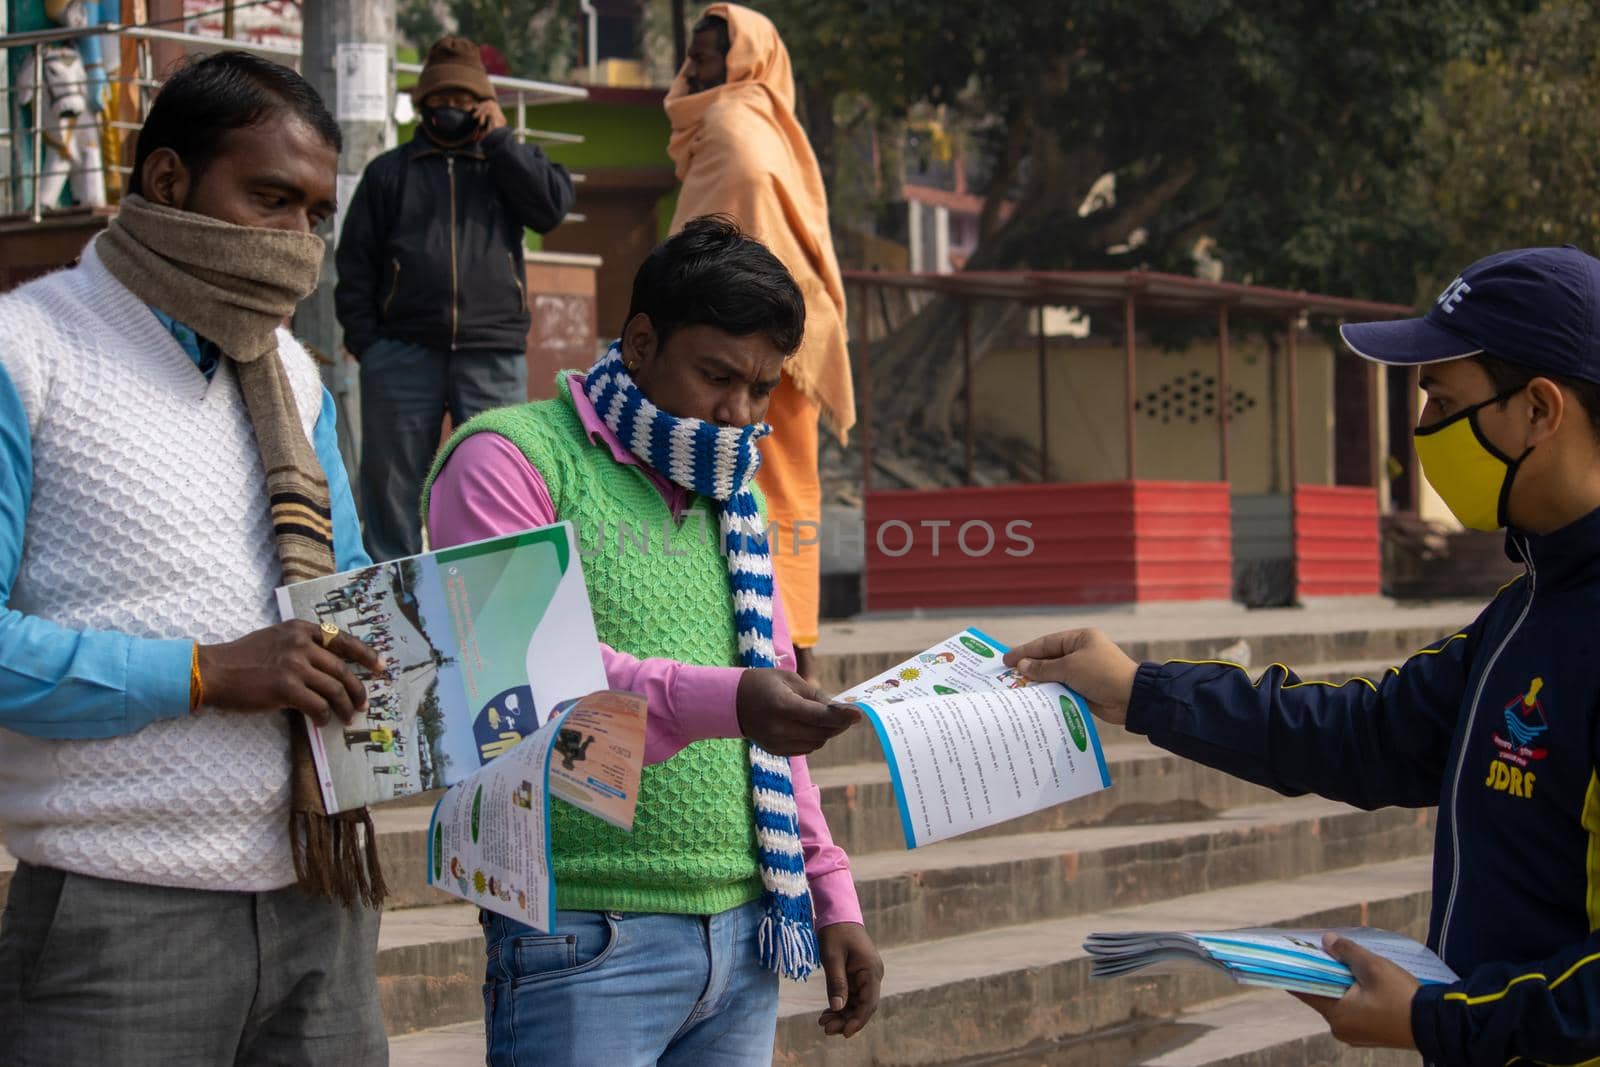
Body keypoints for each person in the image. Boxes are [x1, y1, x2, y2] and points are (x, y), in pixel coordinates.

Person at [1004, 246, 1600, 1067]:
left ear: (1539, 409)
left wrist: (1439, 1018)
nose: (1422, 431)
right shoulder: (1525, 611)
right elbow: (1369, 732)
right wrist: (1142, 690)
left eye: (1441, 401)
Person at [0, 52, 388, 1063]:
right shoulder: (26, 349)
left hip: (322, 898)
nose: (296, 242)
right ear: (169, 180)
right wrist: (209, 672)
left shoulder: (294, 371)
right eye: (270, 199)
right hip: (117, 918)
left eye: (312, 214)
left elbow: (347, 602)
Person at [422, 217, 881, 1064]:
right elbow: (522, 682)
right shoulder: (505, 462)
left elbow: (776, 721)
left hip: (745, 935)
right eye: (716, 377)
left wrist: (830, 891)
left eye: (761, 390)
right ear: (639, 343)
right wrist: (734, 700)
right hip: (585, 935)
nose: (737, 416)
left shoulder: (733, 498)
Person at [666, 5, 855, 679]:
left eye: (708, 57)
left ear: (744, 61)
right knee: (785, 494)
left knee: (753, 491)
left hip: (758, 350)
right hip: (786, 345)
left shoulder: (731, 124)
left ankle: (777, 648)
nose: (692, 68)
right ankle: (794, 642)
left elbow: (703, 249)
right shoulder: (772, 122)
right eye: (692, 54)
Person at [336, 34, 575, 561]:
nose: (451, 111)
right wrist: (367, 343)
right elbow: (354, 261)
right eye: (441, 101)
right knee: (391, 495)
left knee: (498, 484)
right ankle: (395, 614)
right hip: (401, 354)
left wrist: (503, 144)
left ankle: (501, 600)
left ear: (483, 106)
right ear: (422, 105)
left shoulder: (506, 164)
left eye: (464, 102)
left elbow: (551, 210)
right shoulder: (388, 173)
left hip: (492, 351)